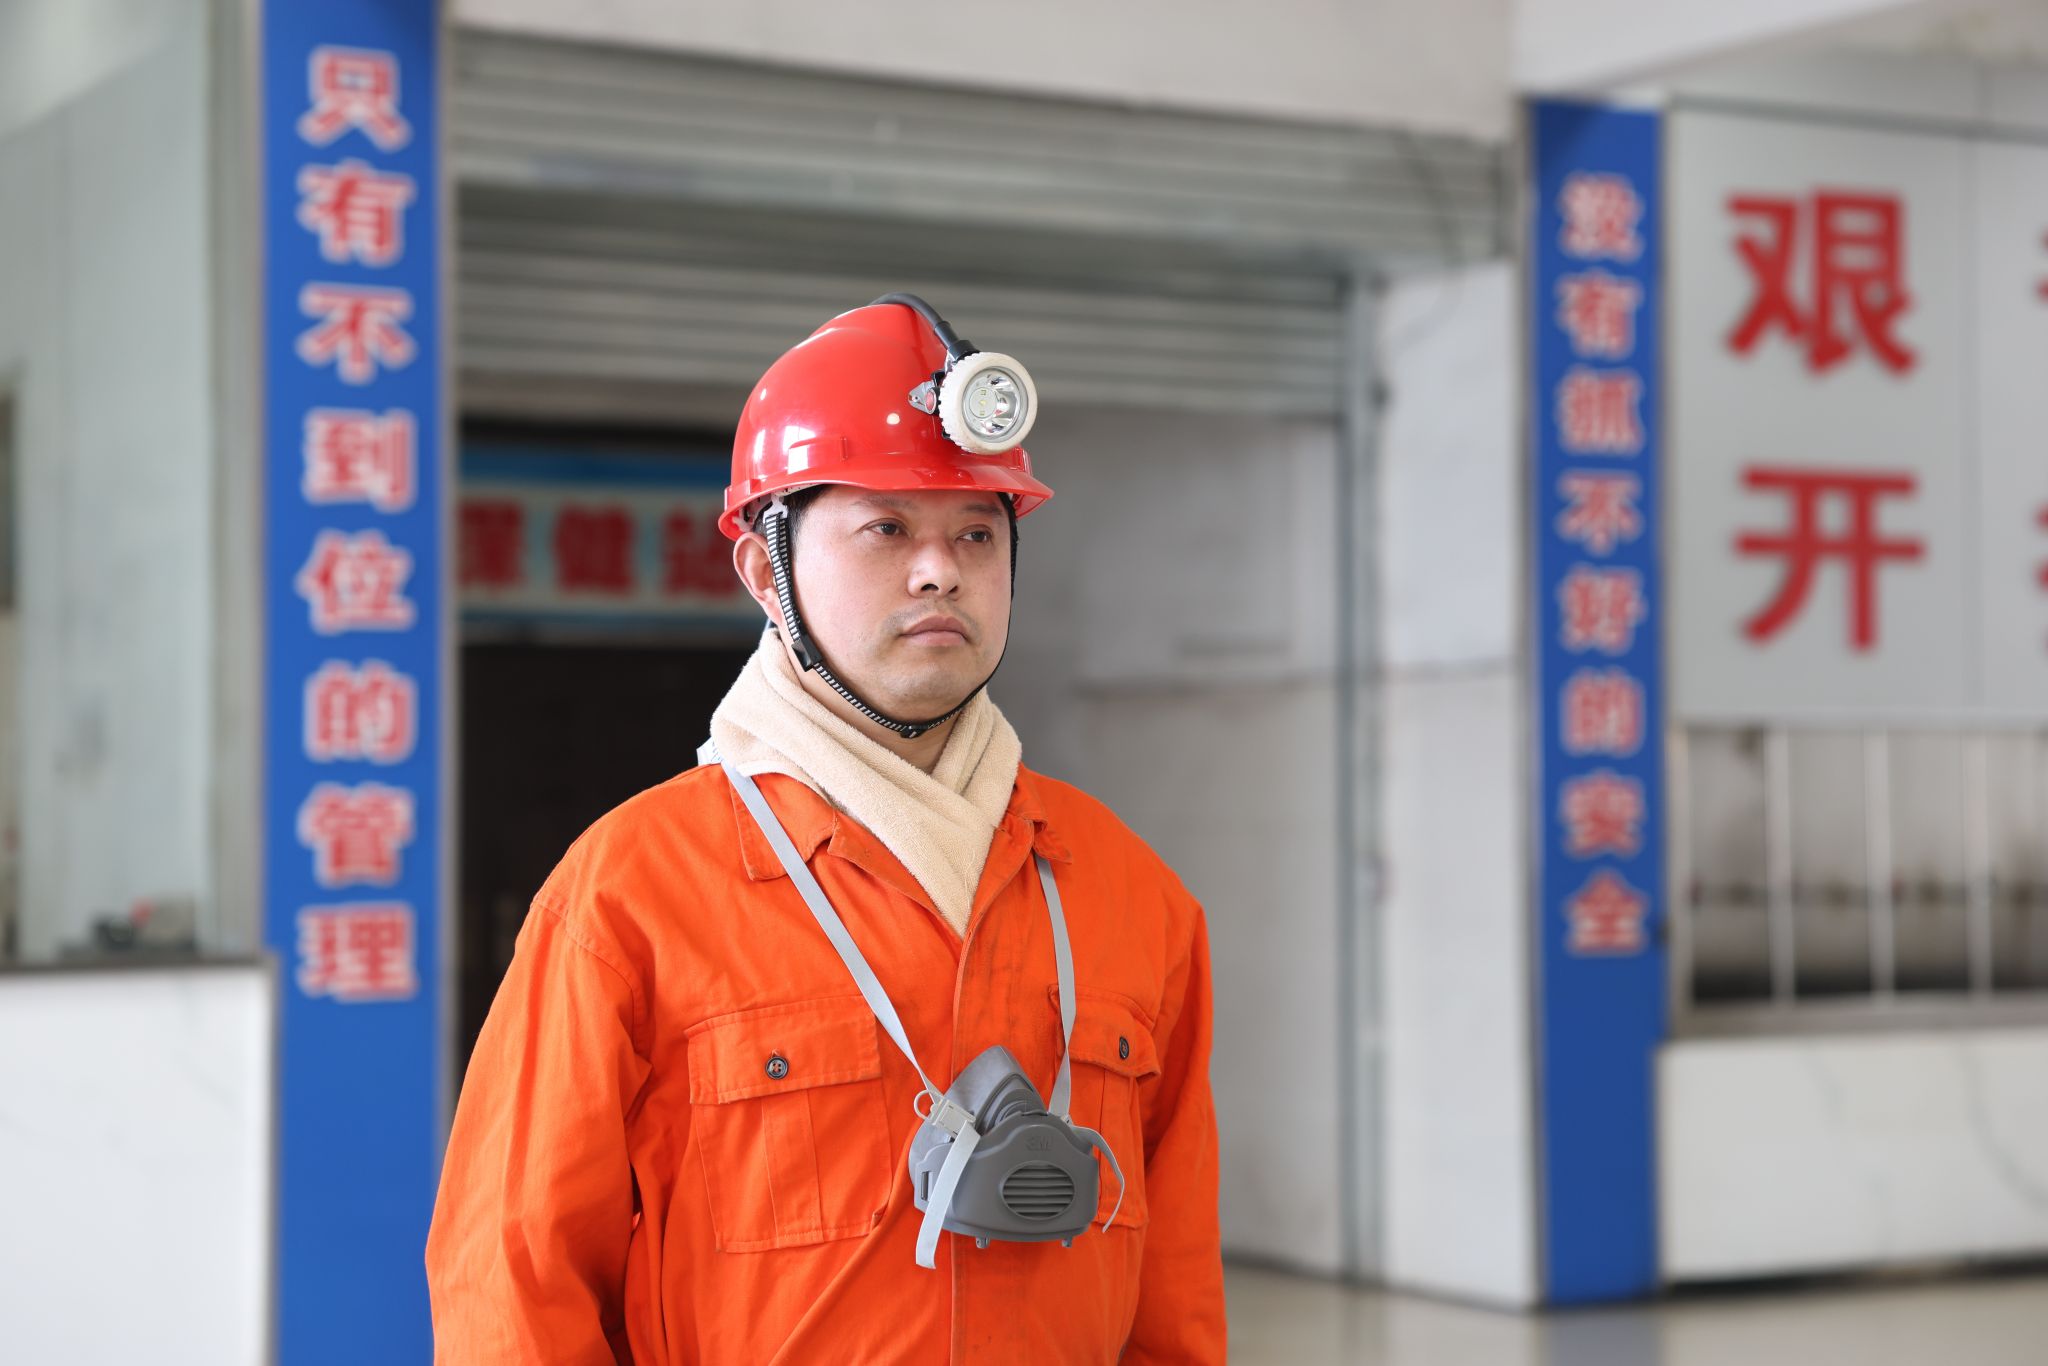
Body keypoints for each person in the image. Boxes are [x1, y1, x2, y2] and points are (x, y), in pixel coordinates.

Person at [426, 296, 1226, 1362]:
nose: (940, 569)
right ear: (767, 572)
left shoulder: (1127, 891)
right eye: (886, 528)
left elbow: (1175, 1288)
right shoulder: (630, 893)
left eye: (977, 533)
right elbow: (513, 1286)